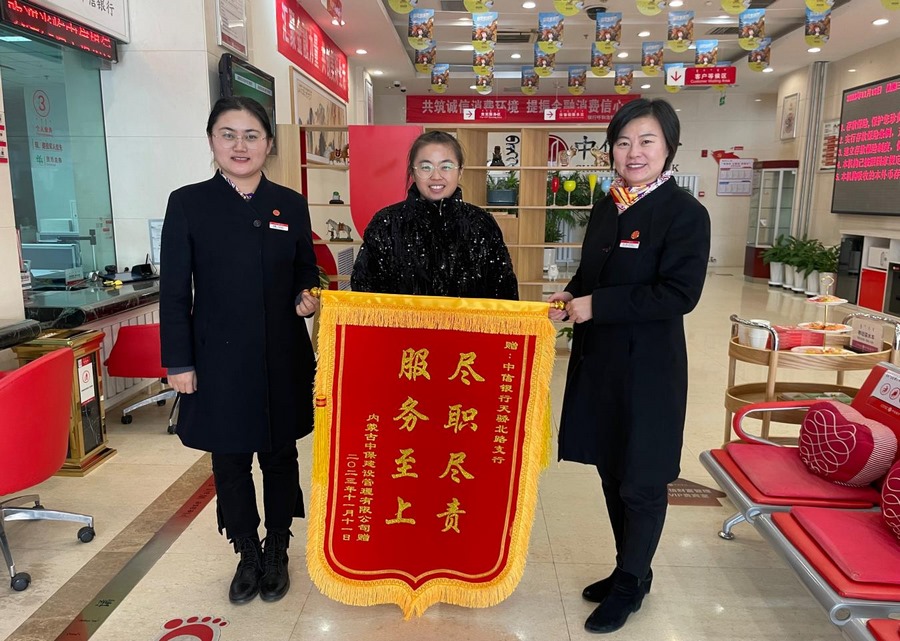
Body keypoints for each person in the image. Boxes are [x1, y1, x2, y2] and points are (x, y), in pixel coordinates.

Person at [548, 98, 710, 634]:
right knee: (611, 469)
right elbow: (591, 272)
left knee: (641, 480)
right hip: (601, 363)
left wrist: (598, 306)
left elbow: (679, 293)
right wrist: (570, 293)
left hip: (649, 370)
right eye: (622, 142)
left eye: (646, 141)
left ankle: (630, 583)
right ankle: (631, 570)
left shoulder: (685, 213)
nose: (633, 152)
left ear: (669, 148)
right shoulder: (608, 205)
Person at [160, 96, 320, 605]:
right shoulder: (188, 203)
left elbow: (305, 269)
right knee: (229, 459)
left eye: (252, 135)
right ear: (212, 141)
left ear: (269, 143)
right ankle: (247, 550)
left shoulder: (290, 204)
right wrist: (179, 361)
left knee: (279, 455)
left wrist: (307, 296)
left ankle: (278, 548)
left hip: (281, 356)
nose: (240, 145)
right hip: (218, 359)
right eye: (228, 134)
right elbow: (173, 290)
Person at [350, 130, 518, 299]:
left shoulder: (482, 224)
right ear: (412, 172)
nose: (436, 176)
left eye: (446, 167)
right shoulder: (385, 224)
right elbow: (364, 295)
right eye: (426, 167)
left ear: (460, 171)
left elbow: (505, 296)